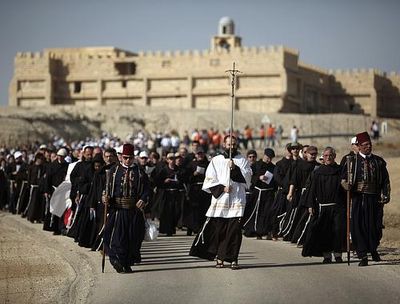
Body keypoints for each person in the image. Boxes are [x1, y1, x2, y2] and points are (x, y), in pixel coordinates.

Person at [189, 135, 252, 269]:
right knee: (220, 231)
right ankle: (220, 257)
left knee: (234, 232)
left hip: (236, 201)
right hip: (221, 200)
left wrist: (235, 168)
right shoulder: (216, 160)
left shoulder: (242, 160)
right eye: (229, 144)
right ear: (224, 145)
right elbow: (209, 179)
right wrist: (222, 188)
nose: (231, 147)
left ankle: (233, 259)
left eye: (234, 144)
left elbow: (247, 179)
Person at [341, 131, 390, 266]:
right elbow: (343, 179)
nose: (368, 147)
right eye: (365, 145)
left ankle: (373, 249)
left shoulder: (378, 161)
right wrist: (347, 185)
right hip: (358, 198)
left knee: (375, 226)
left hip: (374, 199)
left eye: (370, 144)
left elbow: (385, 180)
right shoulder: (352, 161)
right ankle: (363, 255)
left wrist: (386, 194)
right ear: (359, 146)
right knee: (359, 226)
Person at [102, 143, 150, 273]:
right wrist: (105, 197)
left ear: (134, 157)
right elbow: (106, 189)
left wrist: (143, 199)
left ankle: (127, 263)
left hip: (134, 211)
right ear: (121, 157)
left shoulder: (140, 173)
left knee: (133, 238)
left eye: (130, 157)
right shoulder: (113, 171)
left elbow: (147, 190)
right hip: (118, 210)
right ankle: (116, 259)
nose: (127, 160)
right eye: (125, 157)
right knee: (116, 237)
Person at [302, 147, 346, 263]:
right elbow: (312, 190)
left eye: (330, 155)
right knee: (325, 231)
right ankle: (327, 255)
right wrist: (310, 205)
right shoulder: (318, 172)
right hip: (323, 207)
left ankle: (338, 254)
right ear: (323, 157)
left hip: (338, 206)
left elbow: (346, 188)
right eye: (326, 156)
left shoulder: (340, 170)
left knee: (338, 230)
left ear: (334, 156)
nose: (328, 158)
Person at [243, 148, 277, 239]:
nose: (269, 159)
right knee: (257, 212)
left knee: (267, 212)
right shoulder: (256, 165)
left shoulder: (273, 167)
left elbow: (275, 180)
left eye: (271, 158)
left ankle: (266, 231)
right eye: (268, 157)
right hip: (258, 192)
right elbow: (250, 177)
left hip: (268, 192)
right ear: (264, 155)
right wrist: (259, 177)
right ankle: (256, 231)